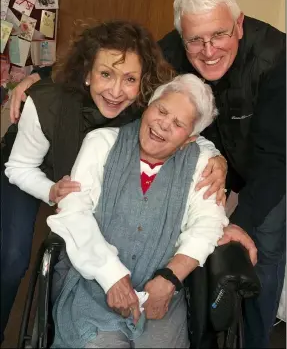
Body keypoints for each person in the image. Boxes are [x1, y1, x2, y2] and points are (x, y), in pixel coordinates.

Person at [1, 20, 230, 342]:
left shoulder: (143, 101)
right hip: (29, 170)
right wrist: (50, 190)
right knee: (11, 258)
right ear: (87, 73)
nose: (116, 90)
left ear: (143, 85)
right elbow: (21, 167)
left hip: (79, 177)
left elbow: (184, 123)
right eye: (105, 74)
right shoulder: (48, 103)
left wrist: (214, 156)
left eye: (130, 79)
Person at [47, 73, 229, 348]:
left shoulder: (203, 162)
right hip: (93, 287)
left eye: (178, 123)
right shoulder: (102, 143)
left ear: (190, 138)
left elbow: (208, 223)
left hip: (163, 296)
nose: (163, 125)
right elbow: (74, 211)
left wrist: (169, 278)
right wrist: (111, 276)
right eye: (161, 110)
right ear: (148, 107)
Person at [157, 0, 286, 348]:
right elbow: (118, 70)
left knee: (262, 248)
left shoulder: (277, 58)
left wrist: (240, 224)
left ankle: (256, 341)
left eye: (219, 35)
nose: (208, 50)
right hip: (213, 161)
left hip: (270, 165)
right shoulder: (169, 49)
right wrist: (43, 75)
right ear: (182, 35)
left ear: (239, 24)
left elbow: (276, 158)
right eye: (195, 39)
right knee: (192, 238)